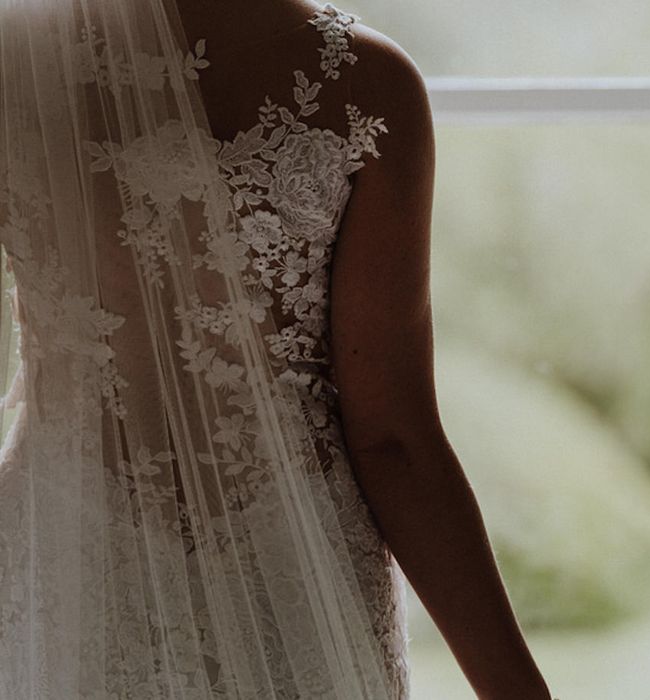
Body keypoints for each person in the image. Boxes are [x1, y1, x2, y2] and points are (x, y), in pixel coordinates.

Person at [0, 0, 554, 697]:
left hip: (67, 563)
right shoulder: (365, 84)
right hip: (291, 577)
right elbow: (393, 440)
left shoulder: (14, 61)